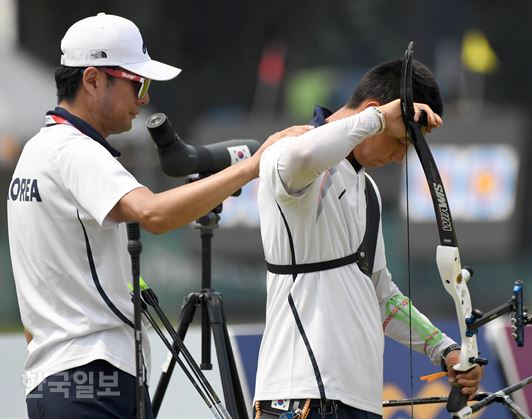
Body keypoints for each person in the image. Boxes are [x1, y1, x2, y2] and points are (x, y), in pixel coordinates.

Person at [6, 12, 309, 419]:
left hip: (59, 379)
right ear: (93, 79)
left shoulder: (37, 150)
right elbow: (154, 214)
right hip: (92, 379)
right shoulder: (74, 149)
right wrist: (253, 166)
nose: (144, 98)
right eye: (137, 83)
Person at [253, 59, 483, 418]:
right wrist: (377, 121)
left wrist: (445, 349)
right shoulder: (290, 151)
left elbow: (381, 297)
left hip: (357, 401)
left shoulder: (367, 190)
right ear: (375, 113)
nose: (399, 157)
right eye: (400, 140)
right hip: (301, 397)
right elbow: (301, 155)